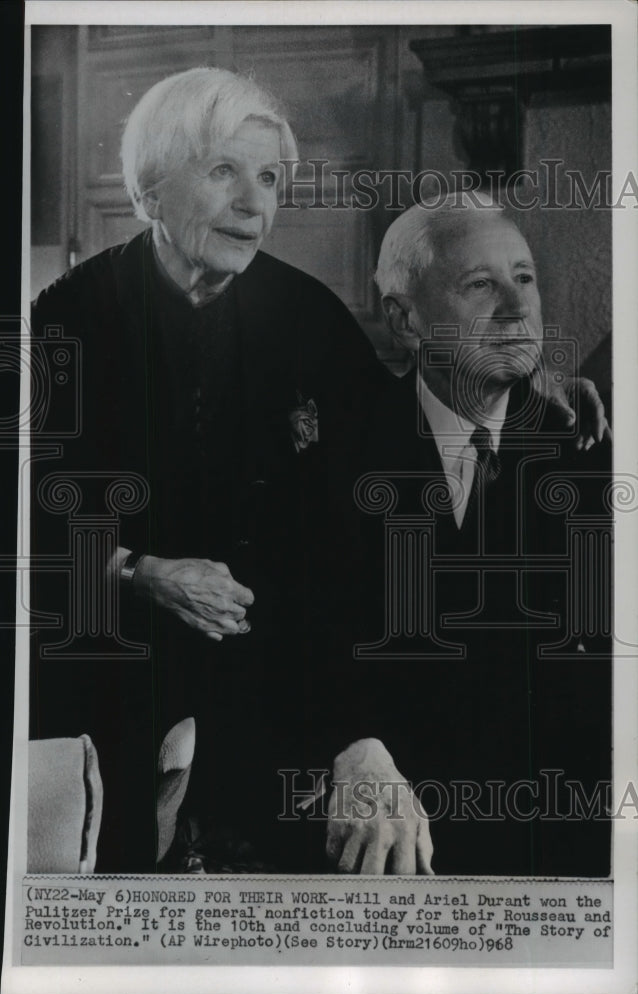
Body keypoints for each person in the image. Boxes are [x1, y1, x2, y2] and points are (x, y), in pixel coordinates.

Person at [30, 69, 608, 875]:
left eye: (269, 179)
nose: (253, 204)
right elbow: (24, 526)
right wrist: (138, 571)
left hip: (256, 664)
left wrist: (528, 379)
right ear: (152, 188)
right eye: (224, 171)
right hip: (107, 659)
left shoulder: (300, 311)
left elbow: (402, 410)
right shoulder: (62, 320)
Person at [326, 195, 611, 878]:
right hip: (395, 861)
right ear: (406, 320)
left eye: (524, 278)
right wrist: (348, 745)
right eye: (480, 285)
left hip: (562, 855)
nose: (517, 308)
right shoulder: (334, 458)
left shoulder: (591, 456)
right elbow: (295, 654)